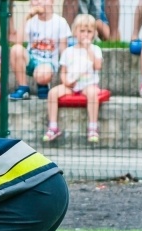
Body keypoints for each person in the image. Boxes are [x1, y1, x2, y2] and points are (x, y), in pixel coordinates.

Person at [43, 14, 103, 143]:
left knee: (92, 94)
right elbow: (63, 72)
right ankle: (53, 126)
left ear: (94, 34)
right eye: (82, 31)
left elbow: (98, 66)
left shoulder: (95, 49)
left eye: (89, 31)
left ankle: (93, 127)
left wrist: (88, 50)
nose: (85, 34)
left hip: (89, 84)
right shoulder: (68, 52)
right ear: (75, 32)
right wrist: (66, 81)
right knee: (53, 93)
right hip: (71, 85)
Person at [8, 0, 71, 101]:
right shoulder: (31, 21)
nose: (37, 2)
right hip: (32, 60)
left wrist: (66, 73)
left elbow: (64, 51)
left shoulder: (60, 22)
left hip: (48, 63)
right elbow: (18, 42)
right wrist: (26, 17)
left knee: (42, 74)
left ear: (52, 2)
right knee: (16, 49)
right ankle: (23, 88)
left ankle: (43, 85)